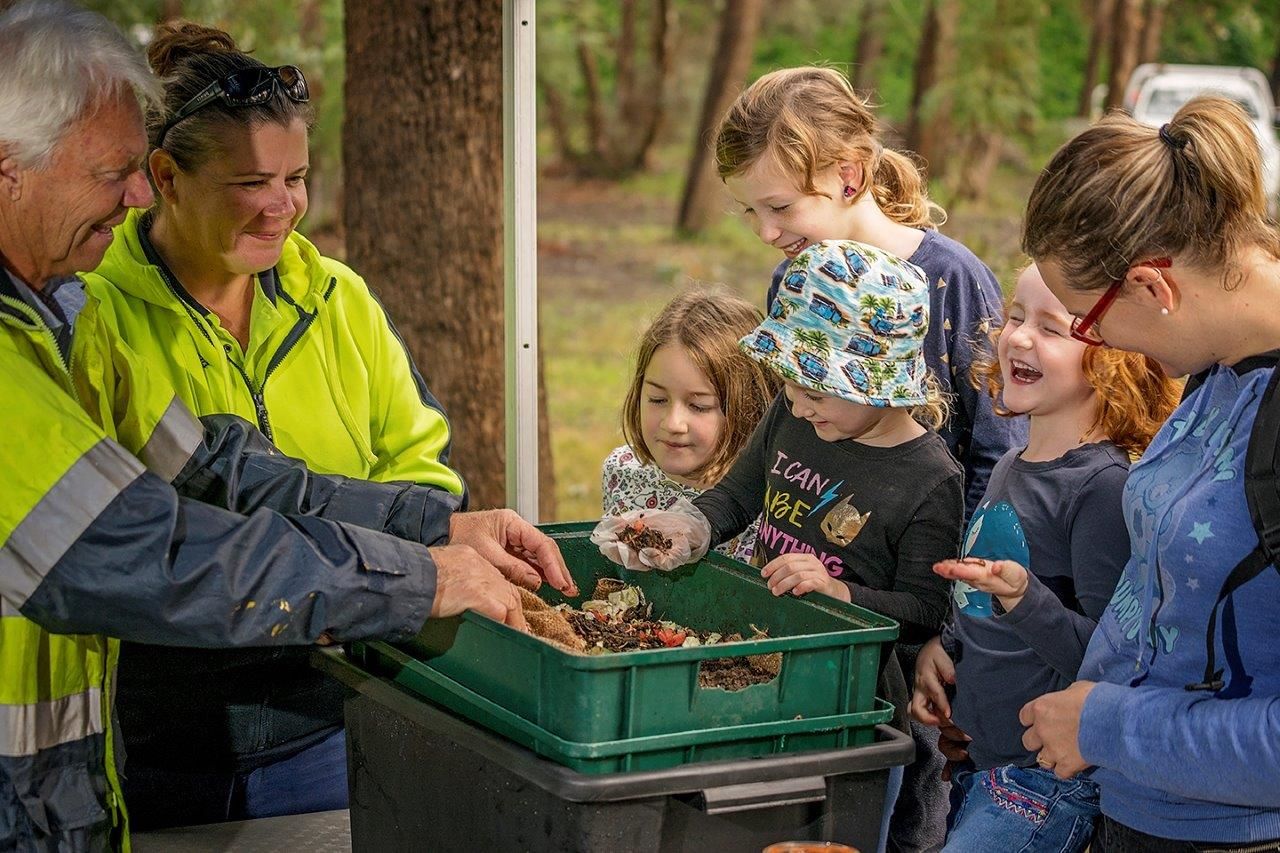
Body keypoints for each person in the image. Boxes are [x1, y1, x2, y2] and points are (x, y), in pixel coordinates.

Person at [0, 4, 569, 849]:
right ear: (9, 168)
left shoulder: (66, 321)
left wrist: (438, 524)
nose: (132, 194)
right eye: (112, 172)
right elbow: (154, 549)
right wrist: (416, 580)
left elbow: (221, 471)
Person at [714, 66, 1027, 849]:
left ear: (848, 175)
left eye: (779, 206)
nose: (764, 230)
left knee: (900, 812)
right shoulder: (796, 275)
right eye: (748, 210)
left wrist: (952, 639)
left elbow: (998, 466)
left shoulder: (953, 280)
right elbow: (786, 441)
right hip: (812, 629)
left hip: (915, 627)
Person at [599, 240, 962, 853]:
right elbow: (735, 499)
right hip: (766, 661)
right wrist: (687, 527)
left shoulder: (930, 481)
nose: (795, 402)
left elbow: (925, 608)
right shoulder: (794, 416)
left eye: (816, 390)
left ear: (879, 385)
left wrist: (839, 592)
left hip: (855, 699)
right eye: (791, 383)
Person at [1017, 96, 1280, 851]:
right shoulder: (1217, 365)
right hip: (1141, 810)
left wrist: (1106, 724)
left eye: (1088, 319)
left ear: (1153, 286)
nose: (1097, 341)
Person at [908, 264, 1179, 853]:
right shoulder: (1010, 465)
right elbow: (980, 596)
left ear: (1114, 357)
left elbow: (1106, 658)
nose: (1020, 337)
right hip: (978, 760)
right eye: (1014, 317)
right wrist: (945, 648)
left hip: (1041, 782)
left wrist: (1022, 597)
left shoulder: (1101, 490)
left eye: (1053, 329)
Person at [601, 287, 779, 563]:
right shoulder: (621, 472)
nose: (673, 423)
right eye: (657, 399)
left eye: (699, 406)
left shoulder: (774, 500)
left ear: (749, 407)